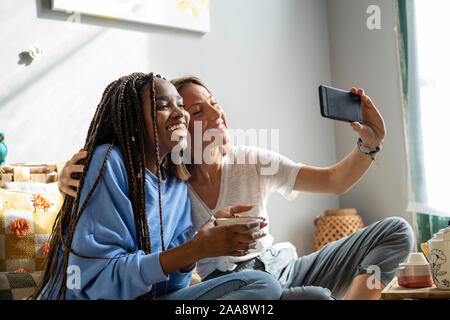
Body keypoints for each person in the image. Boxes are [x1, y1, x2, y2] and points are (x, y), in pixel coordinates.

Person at [59, 76, 414, 300]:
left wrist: (371, 143)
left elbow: (333, 180)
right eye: (197, 109)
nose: (215, 112)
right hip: (235, 282)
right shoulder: (168, 181)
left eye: (213, 102)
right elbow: (118, 193)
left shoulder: (250, 160)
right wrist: (66, 179)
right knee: (313, 297)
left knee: (396, 231)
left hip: (281, 266)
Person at [32, 72, 282, 300]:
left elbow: (171, 288)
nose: (179, 113)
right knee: (262, 286)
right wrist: (195, 248)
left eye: (181, 106)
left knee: (273, 288)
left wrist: (195, 251)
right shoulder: (108, 162)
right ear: (133, 119)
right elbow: (97, 281)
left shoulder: (175, 186)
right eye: (162, 106)